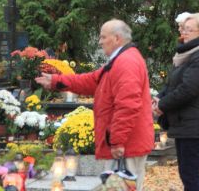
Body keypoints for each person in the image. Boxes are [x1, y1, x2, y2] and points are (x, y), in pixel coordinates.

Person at [35, 20, 153, 191]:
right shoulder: (121, 60)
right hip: (126, 143)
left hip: (127, 145)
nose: (100, 41)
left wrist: (118, 141)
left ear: (117, 38)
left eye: (103, 37)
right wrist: (56, 80)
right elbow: (92, 81)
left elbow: (128, 105)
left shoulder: (126, 62)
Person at [153, 13, 199, 191]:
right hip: (185, 120)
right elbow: (173, 82)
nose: (184, 33)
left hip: (194, 121)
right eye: (184, 29)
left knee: (190, 174)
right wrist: (160, 97)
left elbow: (188, 89)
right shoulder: (188, 53)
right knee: (186, 173)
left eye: (189, 30)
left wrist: (162, 105)